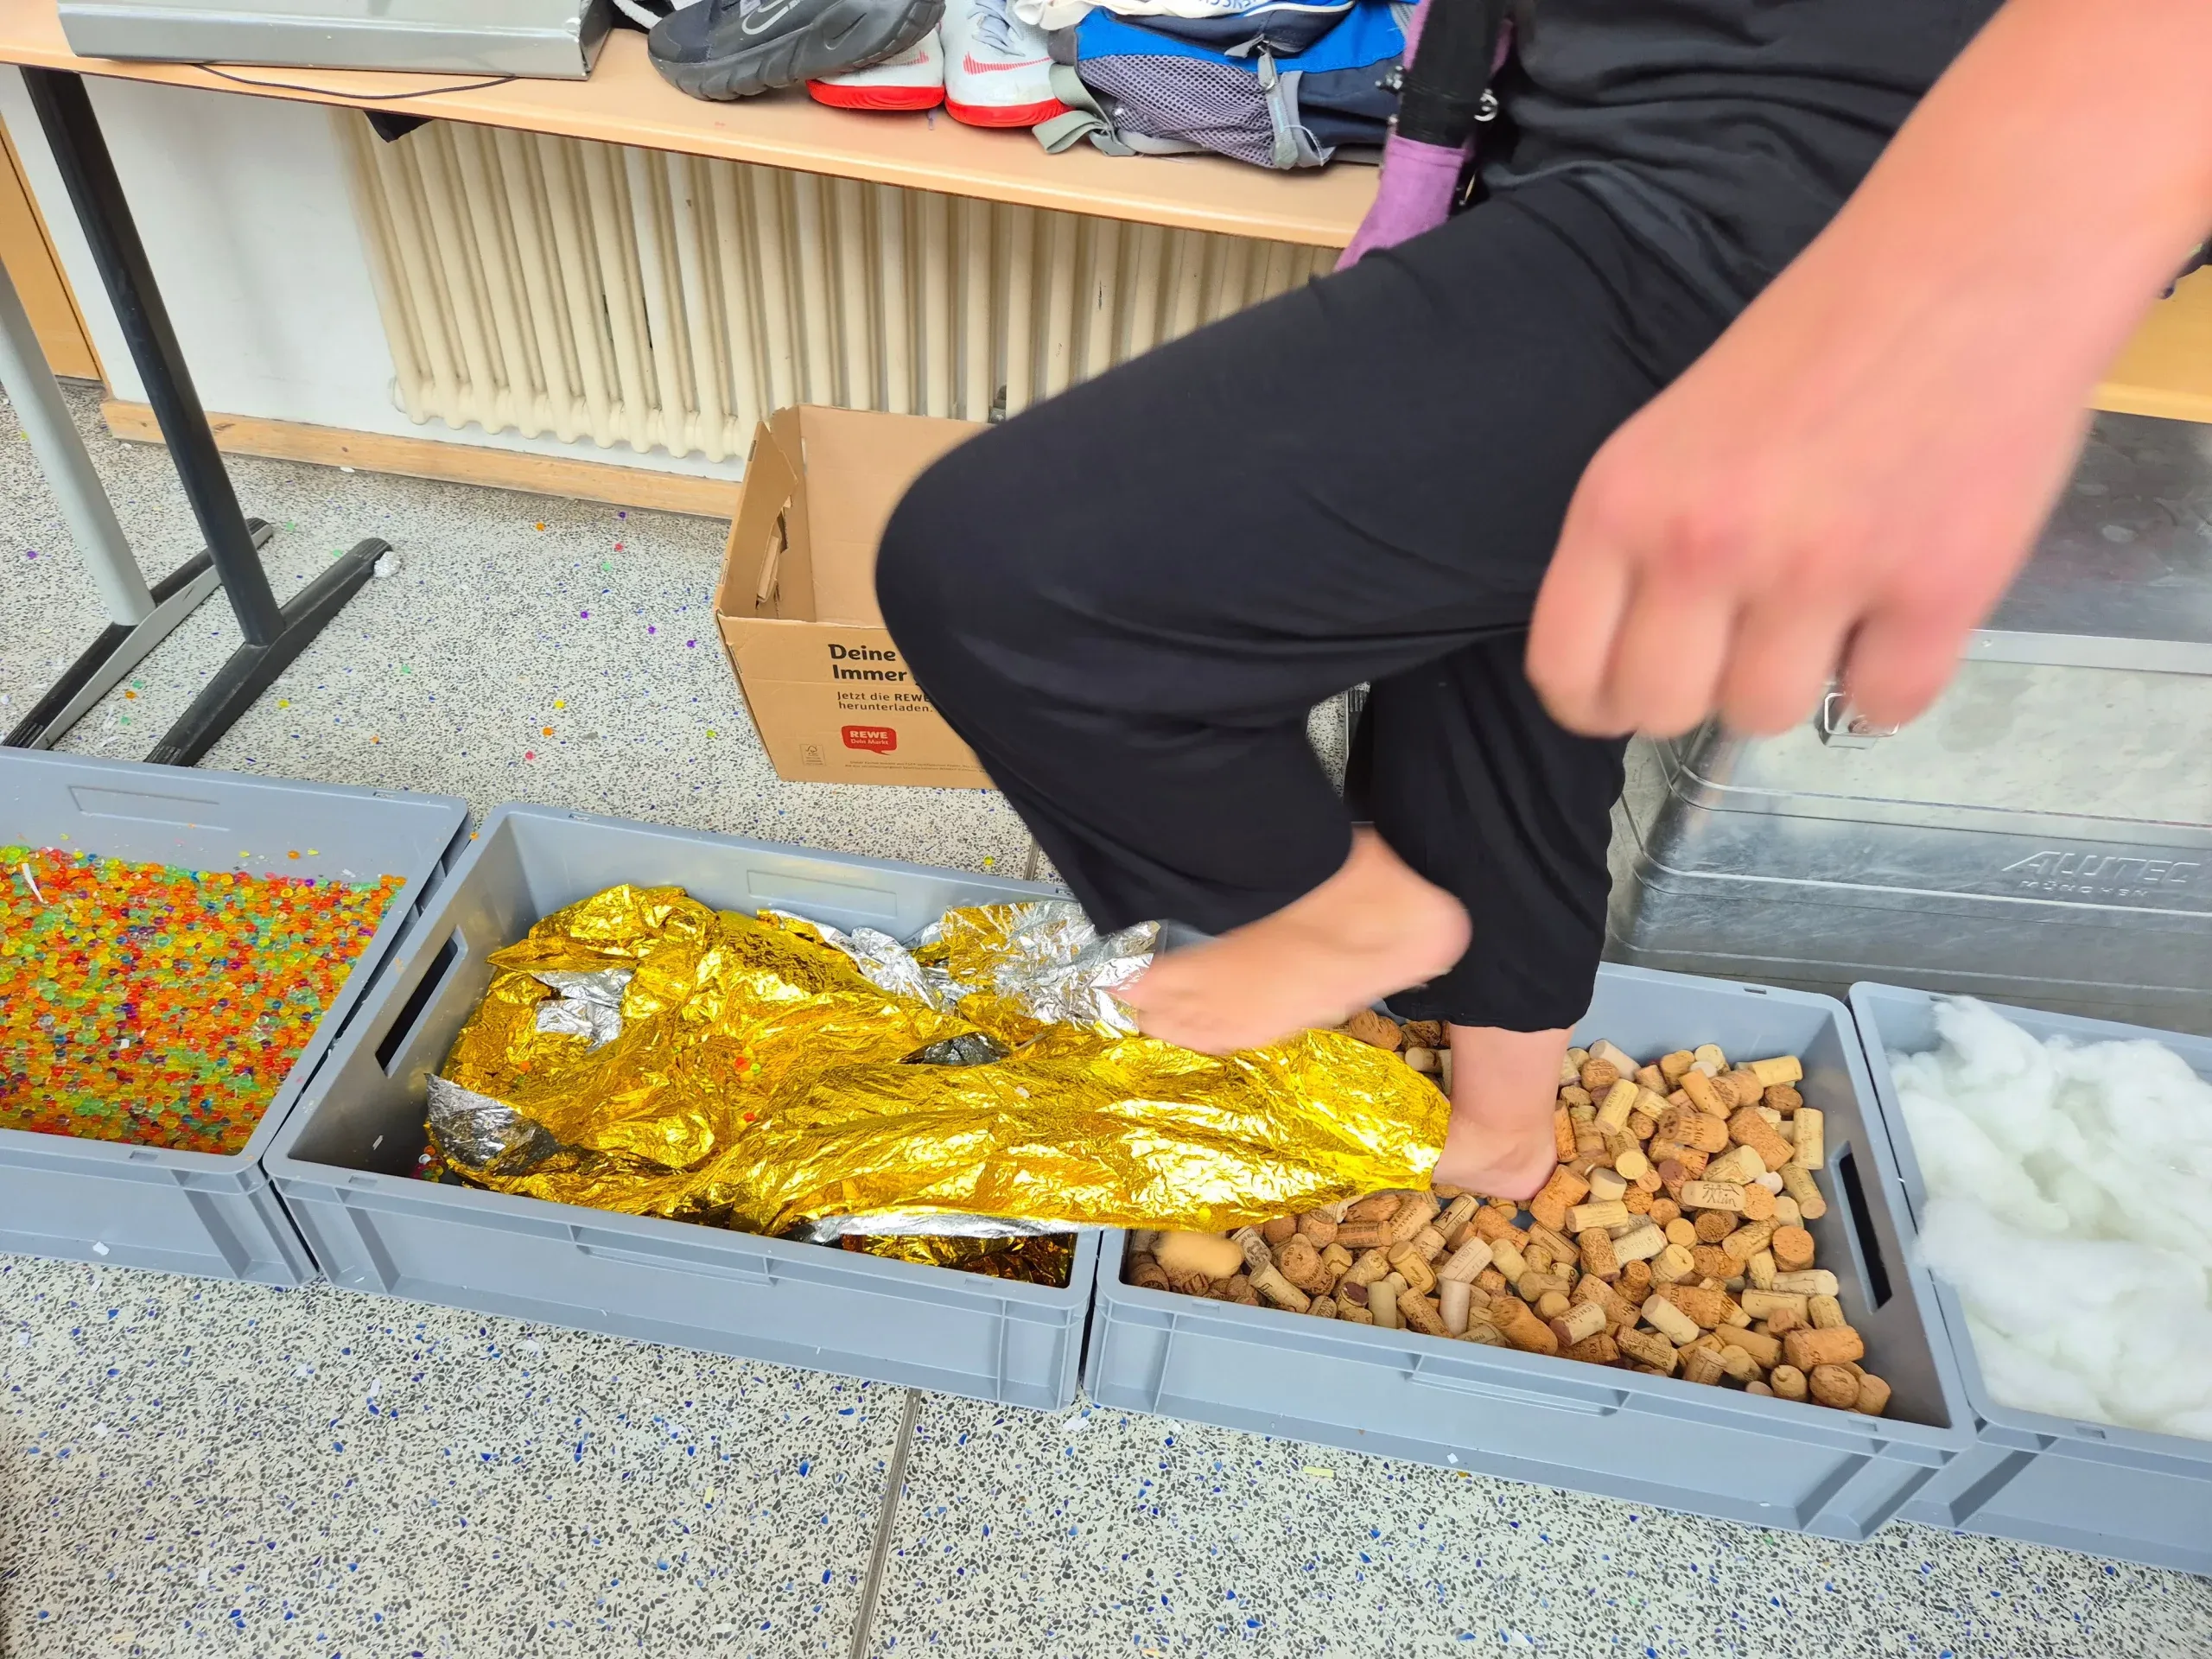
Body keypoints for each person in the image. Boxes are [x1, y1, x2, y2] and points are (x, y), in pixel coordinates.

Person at [876, 0, 2212, 1198]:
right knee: (1515, 646)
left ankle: (1337, 914)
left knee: (1022, 581)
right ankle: (1504, 1130)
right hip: (1590, 128)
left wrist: (1991, 268)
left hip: (1823, 170)